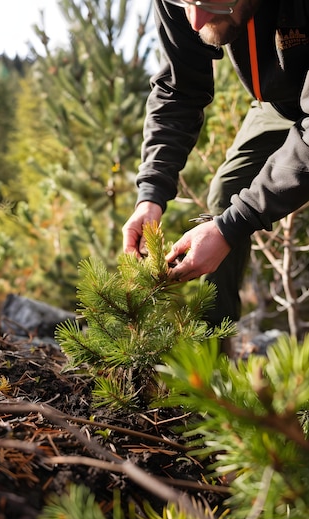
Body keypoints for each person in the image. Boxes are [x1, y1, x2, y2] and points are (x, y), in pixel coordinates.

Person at [122, 0, 309, 326]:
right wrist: (151, 193)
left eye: (207, 1)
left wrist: (234, 225)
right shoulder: (187, 6)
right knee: (228, 194)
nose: (194, 21)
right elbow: (180, 88)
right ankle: (210, 365)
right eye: (184, 2)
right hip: (279, 105)